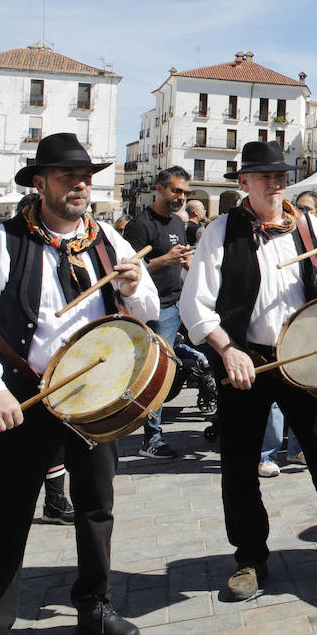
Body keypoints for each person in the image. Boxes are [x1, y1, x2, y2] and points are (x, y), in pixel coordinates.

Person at [0, 132, 158, 634]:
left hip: (98, 396)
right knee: (8, 512)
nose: (81, 186)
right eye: (69, 177)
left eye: (86, 177)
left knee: (96, 505)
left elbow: (147, 309)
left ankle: (95, 605)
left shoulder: (107, 239)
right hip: (27, 393)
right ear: (40, 184)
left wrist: (132, 285)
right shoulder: (4, 241)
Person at [179, 140, 317, 602]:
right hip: (246, 361)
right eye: (266, 177)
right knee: (239, 465)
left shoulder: (310, 224)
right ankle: (250, 560)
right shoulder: (220, 230)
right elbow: (193, 304)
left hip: (304, 359)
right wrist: (227, 349)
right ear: (245, 183)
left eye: (281, 177)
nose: (277, 184)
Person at [123, 165, 192, 459]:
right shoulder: (139, 225)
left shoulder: (178, 223)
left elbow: (181, 257)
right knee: (158, 375)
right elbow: (129, 272)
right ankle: (151, 438)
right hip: (157, 309)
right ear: (160, 188)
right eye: (176, 190)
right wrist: (163, 260)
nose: (180, 197)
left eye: (185, 193)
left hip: (181, 303)